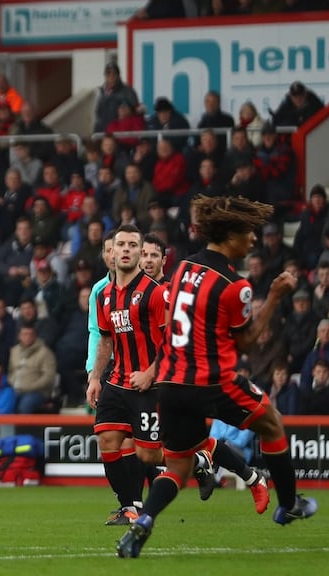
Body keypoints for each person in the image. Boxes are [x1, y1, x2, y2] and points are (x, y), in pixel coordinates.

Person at [117, 195, 316, 559]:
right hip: (211, 381)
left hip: (171, 383)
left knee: (177, 466)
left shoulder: (180, 270)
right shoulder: (235, 286)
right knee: (271, 423)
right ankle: (289, 504)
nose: (253, 240)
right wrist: (273, 296)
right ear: (229, 236)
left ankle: (143, 522)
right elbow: (248, 342)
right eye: (248, 233)